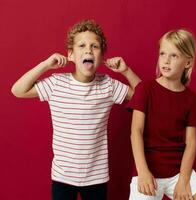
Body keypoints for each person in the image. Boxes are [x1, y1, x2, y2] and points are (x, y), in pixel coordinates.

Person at [11, 19, 141, 200]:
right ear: (70, 55)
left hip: (96, 178)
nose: (88, 50)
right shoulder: (57, 83)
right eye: (82, 45)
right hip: (62, 177)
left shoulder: (108, 86)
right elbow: (18, 90)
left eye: (94, 46)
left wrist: (126, 71)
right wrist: (45, 65)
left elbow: (144, 98)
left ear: (102, 56)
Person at [128, 29, 196, 200]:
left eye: (174, 56)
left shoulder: (191, 99)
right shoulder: (145, 89)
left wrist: (184, 180)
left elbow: (191, 141)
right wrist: (143, 172)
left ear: (188, 63)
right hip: (147, 171)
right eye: (163, 53)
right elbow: (136, 132)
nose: (166, 60)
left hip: (178, 172)